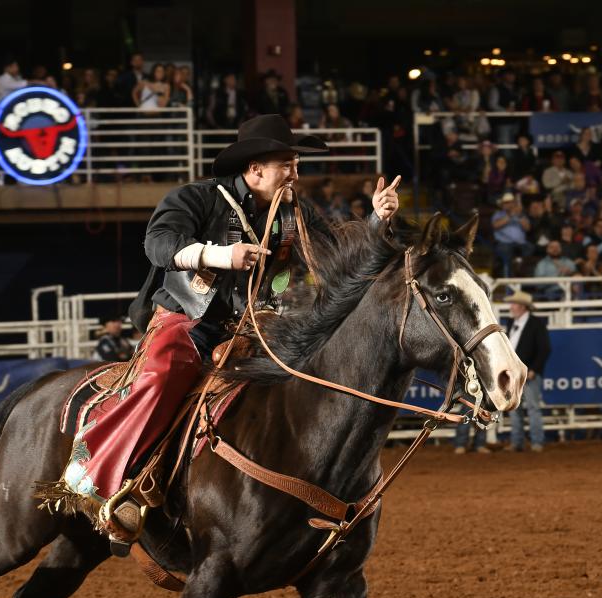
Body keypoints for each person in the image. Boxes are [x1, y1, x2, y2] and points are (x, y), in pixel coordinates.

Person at [59, 114, 400, 508]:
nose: (294, 173)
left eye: (296, 165)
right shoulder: (197, 198)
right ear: (255, 169)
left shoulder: (295, 213)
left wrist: (377, 220)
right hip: (190, 321)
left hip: (256, 328)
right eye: (286, 165)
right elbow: (159, 243)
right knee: (163, 376)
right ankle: (99, 478)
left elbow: (339, 259)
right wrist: (219, 254)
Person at [503, 291, 550, 452]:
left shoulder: (536, 323)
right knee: (515, 410)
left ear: (522, 306)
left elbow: (544, 349)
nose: (511, 307)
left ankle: (536, 442)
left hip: (529, 374)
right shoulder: (512, 322)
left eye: (514, 304)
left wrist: (534, 369)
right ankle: (518, 443)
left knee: (532, 407)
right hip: (513, 374)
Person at [491, 193, 533, 277]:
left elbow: (527, 228)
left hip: (521, 244)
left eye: (510, 202)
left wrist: (520, 215)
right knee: (505, 250)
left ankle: (521, 270)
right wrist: (511, 215)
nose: (508, 204)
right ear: (502, 205)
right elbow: (495, 225)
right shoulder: (498, 214)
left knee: (531, 247)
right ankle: (509, 278)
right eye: (506, 203)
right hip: (505, 243)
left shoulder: (520, 215)